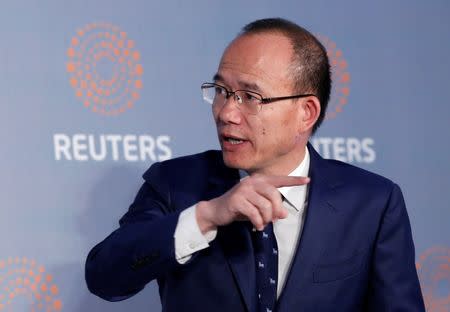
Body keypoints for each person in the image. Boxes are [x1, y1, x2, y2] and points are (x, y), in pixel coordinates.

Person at [85, 18, 425, 311]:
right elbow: (104, 277)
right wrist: (205, 216)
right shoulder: (175, 183)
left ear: (306, 112)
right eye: (220, 90)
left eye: (250, 97)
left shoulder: (372, 203)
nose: (226, 113)